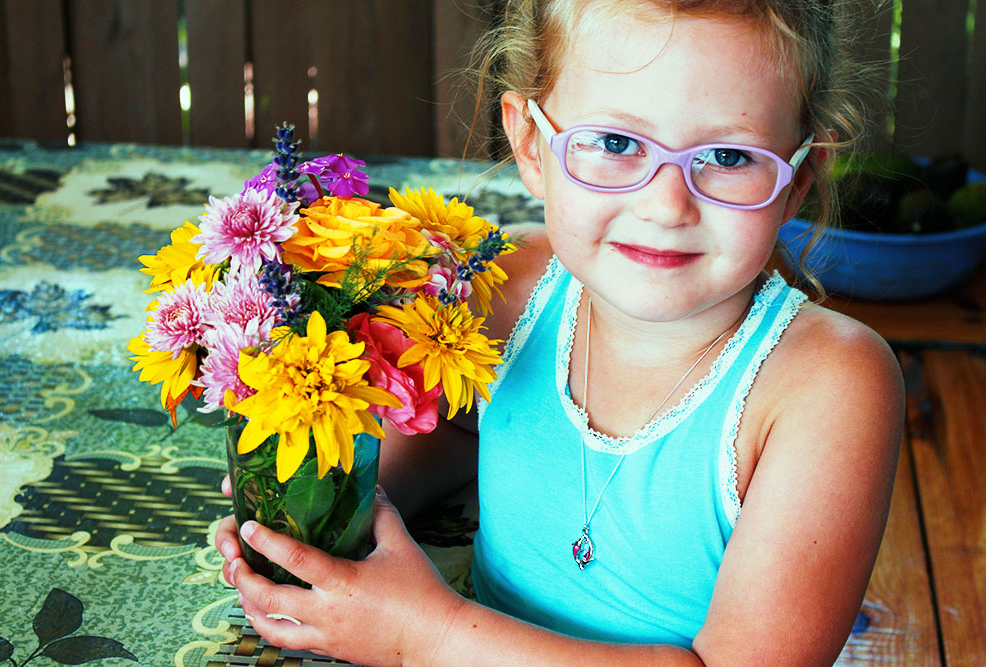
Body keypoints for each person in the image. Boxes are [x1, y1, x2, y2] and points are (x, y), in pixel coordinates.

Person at [215, 1, 904, 663]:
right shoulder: (514, 288)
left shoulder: (828, 388)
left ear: (799, 180)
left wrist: (424, 636)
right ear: (530, 143)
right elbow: (465, 430)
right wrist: (347, 509)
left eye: (727, 157)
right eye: (615, 143)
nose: (666, 206)